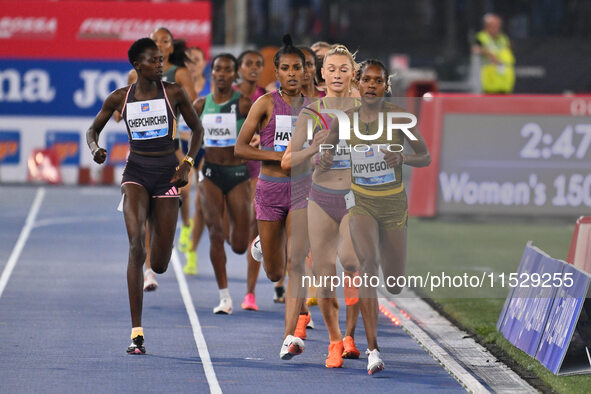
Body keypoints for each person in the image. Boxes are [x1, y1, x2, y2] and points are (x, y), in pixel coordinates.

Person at [86, 37, 203, 354]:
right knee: (137, 245)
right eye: (153, 61)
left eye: (162, 60)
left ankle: (161, 239)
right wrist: (96, 149)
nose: (160, 65)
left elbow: (198, 131)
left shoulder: (174, 93)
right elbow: (91, 130)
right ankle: (136, 332)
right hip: (135, 174)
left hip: (167, 174)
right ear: (137, 65)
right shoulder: (120, 98)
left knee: (161, 263)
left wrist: (187, 164)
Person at [318, 59, 431, 374]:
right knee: (367, 266)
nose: (370, 86)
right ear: (359, 83)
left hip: (393, 205)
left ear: (386, 86)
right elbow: (326, 154)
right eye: (365, 80)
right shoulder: (344, 120)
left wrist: (404, 156)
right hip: (361, 202)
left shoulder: (399, 118)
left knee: (393, 283)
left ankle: (370, 340)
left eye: (377, 81)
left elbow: (425, 156)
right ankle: (373, 350)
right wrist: (324, 159)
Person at [282, 44, 361, 368]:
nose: (338, 75)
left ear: (352, 74)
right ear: (322, 74)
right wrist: (313, 152)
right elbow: (288, 159)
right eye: (332, 69)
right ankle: (333, 340)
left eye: (345, 69)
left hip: (355, 196)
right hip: (320, 198)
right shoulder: (311, 113)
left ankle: (352, 337)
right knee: (325, 278)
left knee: (352, 262)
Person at [235, 34, 311, 359]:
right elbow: (240, 148)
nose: (293, 73)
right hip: (269, 190)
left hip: (302, 191)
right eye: (286, 68)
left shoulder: (314, 108)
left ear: (306, 71)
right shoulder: (265, 103)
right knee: (275, 272)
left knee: (297, 262)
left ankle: (289, 336)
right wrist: (277, 155)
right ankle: (261, 246)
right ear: (276, 72)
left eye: (298, 67)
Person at [193, 53, 252, 314]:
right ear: (211, 73)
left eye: (228, 70)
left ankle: (229, 219)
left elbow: (264, 128)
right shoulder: (200, 105)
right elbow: (192, 137)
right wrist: (187, 162)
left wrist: (259, 139)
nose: (223, 74)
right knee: (215, 234)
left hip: (237, 173)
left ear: (234, 76)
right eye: (218, 69)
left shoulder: (244, 104)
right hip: (210, 174)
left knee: (239, 245)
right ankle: (225, 297)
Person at [472, 13, 515, 94]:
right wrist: (488, 53)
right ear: (487, 26)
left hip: (505, 83)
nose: (497, 28)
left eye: (498, 25)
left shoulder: (503, 38)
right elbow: (475, 49)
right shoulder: (481, 37)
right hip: (489, 84)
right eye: (494, 25)